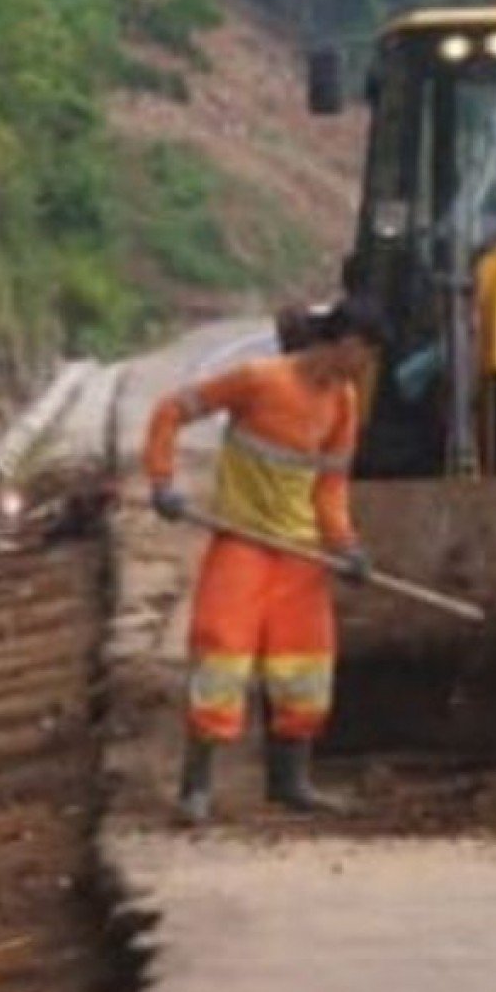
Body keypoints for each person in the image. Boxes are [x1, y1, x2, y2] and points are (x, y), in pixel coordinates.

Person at [144, 297, 388, 825]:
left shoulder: (342, 403)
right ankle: (197, 789)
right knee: (221, 662)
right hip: (243, 546)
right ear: (347, 343)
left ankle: (291, 783)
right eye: (365, 357)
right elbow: (170, 411)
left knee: (304, 670)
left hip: (300, 559)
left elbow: (330, 488)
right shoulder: (258, 380)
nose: (365, 370)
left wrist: (344, 545)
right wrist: (162, 481)